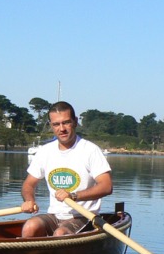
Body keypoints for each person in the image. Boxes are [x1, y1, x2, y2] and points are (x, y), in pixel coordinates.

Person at [20, 101, 113, 237]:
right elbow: (28, 184)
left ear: (75, 122)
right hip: (55, 216)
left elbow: (106, 186)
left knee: (60, 233)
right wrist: (29, 200)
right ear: (51, 125)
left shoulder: (90, 150)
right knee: (30, 227)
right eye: (56, 124)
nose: (61, 128)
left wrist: (74, 196)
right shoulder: (45, 151)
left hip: (83, 217)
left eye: (66, 122)